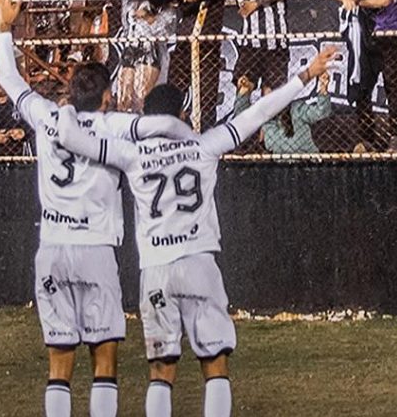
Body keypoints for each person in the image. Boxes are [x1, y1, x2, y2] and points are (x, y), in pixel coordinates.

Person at [55, 47, 337, 417]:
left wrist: (66, 107)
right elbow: (260, 112)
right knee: (214, 363)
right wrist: (304, 76)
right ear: (180, 114)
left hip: (155, 269)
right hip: (199, 263)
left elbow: (72, 139)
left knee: (161, 370)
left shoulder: (130, 155)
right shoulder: (205, 146)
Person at [0, 0, 196, 417]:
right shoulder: (116, 125)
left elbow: (10, 81)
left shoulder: (48, 117)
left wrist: (5, 29)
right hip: (96, 250)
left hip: (51, 248)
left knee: (59, 361)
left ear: (70, 92)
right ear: (106, 96)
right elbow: (158, 126)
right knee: (104, 357)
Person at [328, 0, 397, 150]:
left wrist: (358, 1)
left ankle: (396, 137)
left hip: (390, 37)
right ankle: (367, 139)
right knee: (362, 88)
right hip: (366, 39)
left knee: (392, 86)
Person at [161, 0, 236, 129]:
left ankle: (206, 134)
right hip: (184, 47)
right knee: (174, 92)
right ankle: (174, 131)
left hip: (207, 50)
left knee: (207, 96)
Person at [109, 0, 177, 111]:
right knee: (123, 99)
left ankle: (143, 130)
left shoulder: (164, 5)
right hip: (130, 48)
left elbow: (163, 29)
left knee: (141, 98)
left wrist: (147, 16)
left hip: (149, 50)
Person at [232, 0, 290, 97]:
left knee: (271, 94)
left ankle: (270, 120)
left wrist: (256, 4)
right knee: (243, 86)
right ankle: (242, 119)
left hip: (275, 48)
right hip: (251, 47)